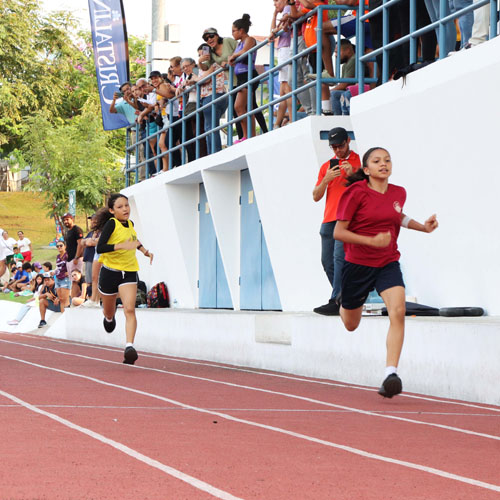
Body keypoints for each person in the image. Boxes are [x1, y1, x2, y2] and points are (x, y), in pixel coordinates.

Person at [334, 147, 438, 397]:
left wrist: (422, 227)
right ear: (366, 170)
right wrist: (370, 241)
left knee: (399, 311)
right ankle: (342, 302)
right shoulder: (355, 193)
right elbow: (339, 232)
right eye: (377, 161)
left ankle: (391, 373)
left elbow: (396, 215)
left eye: (388, 160)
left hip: (387, 261)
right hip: (357, 264)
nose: (384, 164)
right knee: (351, 324)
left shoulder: (398, 192)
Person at [96, 194, 154, 365]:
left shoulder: (130, 224)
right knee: (109, 310)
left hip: (129, 271)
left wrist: (145, 251)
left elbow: (134, 241)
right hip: (110, 272)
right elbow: (101, 247)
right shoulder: (111, 224)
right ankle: (108, 318)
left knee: (129, 309)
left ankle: (129, 347)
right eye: (120, 207)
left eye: (127, 205)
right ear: (112, 211)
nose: (125, 209)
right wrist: (119, 246)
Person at [313, 127, 360, 315]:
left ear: (348, 141)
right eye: (333, 147)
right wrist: (325, 180)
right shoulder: (327, 166)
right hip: (328, 219)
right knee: (327, 261)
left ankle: (335, 300)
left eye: (340, 146)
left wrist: (351, 175)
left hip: (347, 218)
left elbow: (367, 189)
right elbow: (315, 196)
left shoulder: (359, 161)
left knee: (340, 258)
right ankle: (345, 297)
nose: (337, 151)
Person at [228, 14, 269, 141]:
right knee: (245, 107)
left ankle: (249, 135)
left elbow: (245, 51)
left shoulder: (249, 39)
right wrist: (231, 59)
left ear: (241, 30)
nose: (232, 34)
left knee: (239, 106)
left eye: (234, 31)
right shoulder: (239, 44)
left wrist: (233, 56)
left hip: (248, 76)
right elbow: (238, 56)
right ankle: (247, 135)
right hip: (241, 77)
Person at [197, 44, 228, 154]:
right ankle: (213, 152)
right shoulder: (206, 66)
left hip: (213, 96)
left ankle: (215, 152)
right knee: (209, 128)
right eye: (200, 55)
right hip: (215, 96)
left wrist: (199, 63)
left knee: (211, 127)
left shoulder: (214, 64)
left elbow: (204, 80)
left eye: (203, 54)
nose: (202, 56)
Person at [269, 0, 294, 128]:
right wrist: (274, 15)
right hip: (283, 48)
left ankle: (291, 118)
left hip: (287, 48)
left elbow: (277, 30)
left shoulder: (288, 8)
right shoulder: (284, 10)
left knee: (286, 86)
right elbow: (272, 31)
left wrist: (274, 31)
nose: (275, 4)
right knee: (283, 89)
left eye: (277, 0)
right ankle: (277, 123)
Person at [61, 213, 84, 298]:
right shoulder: (68, 231)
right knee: (73, 280)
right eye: (64, 220)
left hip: (77, 259)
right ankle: (74, 299)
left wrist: (77, 257)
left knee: (78, 279)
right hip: (70, 259)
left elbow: (80, 244)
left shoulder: (77, 230)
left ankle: (81, 297)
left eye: (67, 219)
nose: (65, 221)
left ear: (72, 219)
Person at [54, 240, 71, 313]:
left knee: (65, 299)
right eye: (57, 246)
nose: (59, 247)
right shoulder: (58, 256)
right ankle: (62, 316)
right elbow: (57, 267)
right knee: (61, 299)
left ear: (65, 246)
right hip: (57, 278)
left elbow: (73, 264)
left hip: (65, 278)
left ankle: (67, 317)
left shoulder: (67, 255)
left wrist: (69, 272)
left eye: (61, 245)